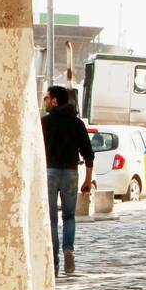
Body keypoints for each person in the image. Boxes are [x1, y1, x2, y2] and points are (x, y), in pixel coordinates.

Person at [41, 85, 93, 276]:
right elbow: (88, 154)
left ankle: (53, 263)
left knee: (51, 219)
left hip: (49, 172)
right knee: (69, 217)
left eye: (47, 98)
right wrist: (88, 180)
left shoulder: (44, 123)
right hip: (71, 172)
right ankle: (68, 249)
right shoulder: (77, 123)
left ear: (55, 101)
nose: (45, 102)